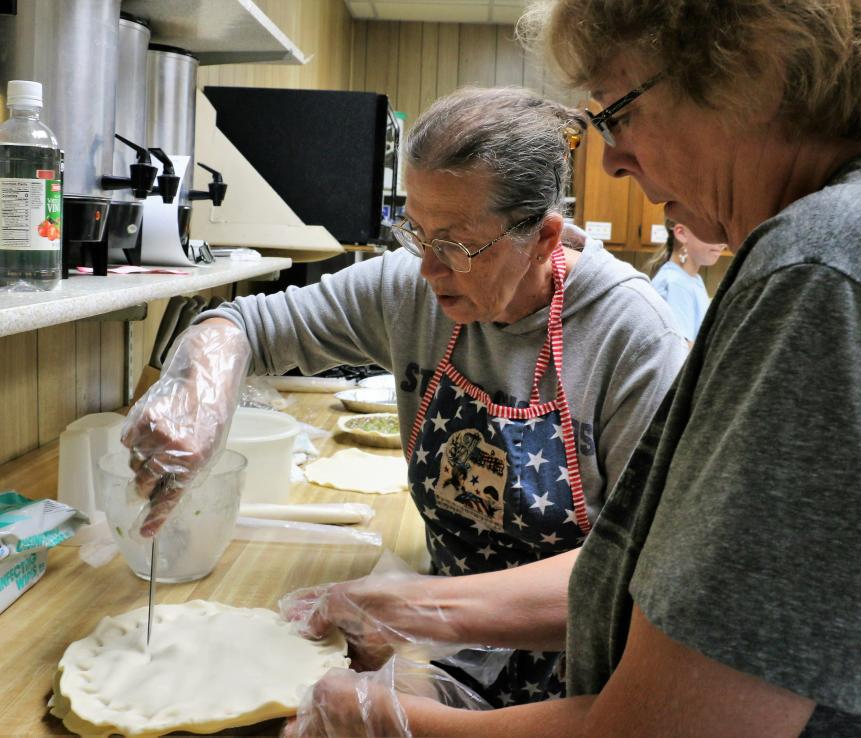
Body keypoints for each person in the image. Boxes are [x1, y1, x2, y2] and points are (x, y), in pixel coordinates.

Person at [281, 1, 861, 735]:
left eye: (618, 110)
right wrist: (398, 607)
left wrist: (387, 720)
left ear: (749, 70)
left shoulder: (831, 272)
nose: (608, 158)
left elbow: (673, 728)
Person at [122, 87, 687, 706]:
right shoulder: (412, 289)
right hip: (447, 654)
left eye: (455, 245)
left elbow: (641, 579)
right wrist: (200, 385)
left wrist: (418, 606)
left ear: (546, 239)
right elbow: (250, 325)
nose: (427, 270)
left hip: (583, 686)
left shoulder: (633, 339)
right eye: (416, 234)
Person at [647, 219, 725, 344]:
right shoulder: (675, 283)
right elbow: (683, 350)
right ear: (681, 233)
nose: (722, 242)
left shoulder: (693, 279)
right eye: (712, 231)